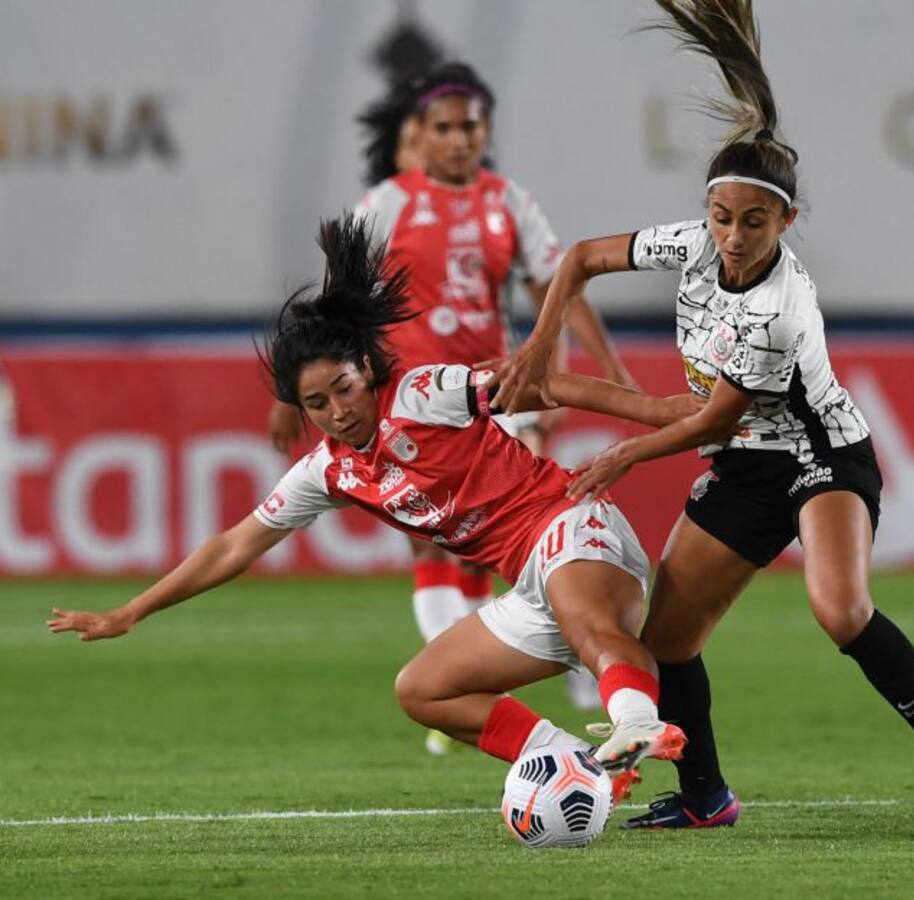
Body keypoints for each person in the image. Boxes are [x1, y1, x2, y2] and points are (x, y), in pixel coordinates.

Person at [483, 0, 914, 836]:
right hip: (744, 464)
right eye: (722, 216)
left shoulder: (779, 307)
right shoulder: (692, 243)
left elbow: (702, 421)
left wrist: (611, 443)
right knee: (670, 640)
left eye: (753, 222)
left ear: (787, 222)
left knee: (841, 610)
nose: (731, 236)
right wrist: (542, 355)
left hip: (819, 455)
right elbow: (578, 259)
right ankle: (703, 796)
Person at [48, 214, 694, 798]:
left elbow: (540, 382)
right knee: (424, 690)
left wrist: (654, 412)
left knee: (590, 627)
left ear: (366, 370)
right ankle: (577, 766)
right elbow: (234, 545)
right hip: (528, 580)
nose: (338, 411)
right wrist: (131, 611)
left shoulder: (422, 392)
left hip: (568, 523)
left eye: (344, 388)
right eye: (317, 404)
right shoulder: (329, 471)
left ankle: (638, 723)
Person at [269, 62, 628, 725]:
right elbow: (333, 305)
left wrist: (605, 365)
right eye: (445, 128)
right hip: (412, 400)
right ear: (420, 134)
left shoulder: (509, 201)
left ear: (485, 130)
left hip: (499, 388)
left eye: (471, 127)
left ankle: (585, 670)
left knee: (533, 531)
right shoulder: (387, 204)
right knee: (434, 540)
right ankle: (464, 678)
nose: (460, 140)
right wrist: (293, 394)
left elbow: (554, 288)